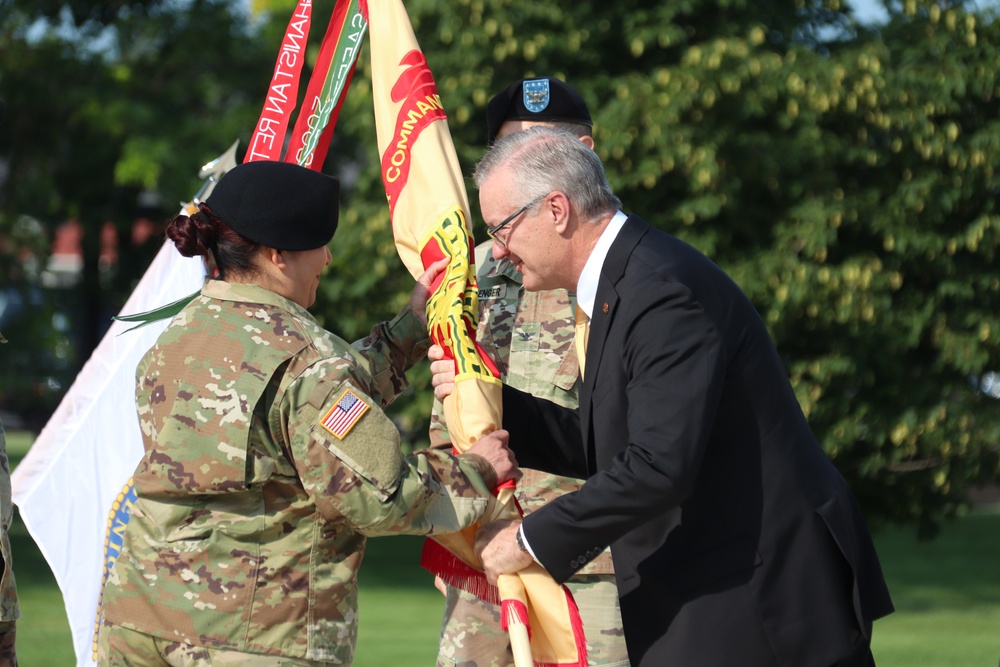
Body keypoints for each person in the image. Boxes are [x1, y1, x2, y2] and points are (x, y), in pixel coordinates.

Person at [430, 127, 894, 667]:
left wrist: (528, 539)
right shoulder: (623, 281)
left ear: (556, 210)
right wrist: (489, 399)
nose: (500, 252)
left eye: (503, 228)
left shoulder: (659, 293)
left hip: (761, 603)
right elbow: (611, 439)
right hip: (720, 588)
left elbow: (659, 466)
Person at [97, 160, 519, 666]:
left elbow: (300, 408)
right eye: (320, 244)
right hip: (252, 635)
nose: (328, 258)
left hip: (139, 619)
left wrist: (410, 327)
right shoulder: (308, 358)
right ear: (278, 255)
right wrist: (476, 469)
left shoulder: (178, 338)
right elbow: (381, 497)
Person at [431, 77, 628, 667]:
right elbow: (452, 401)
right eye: (508, 151)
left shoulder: (617, 267)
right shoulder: (469, 274)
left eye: (543, 148)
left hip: (588, 561)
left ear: (583, 154)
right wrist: (446, 522)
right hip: (483, 548)